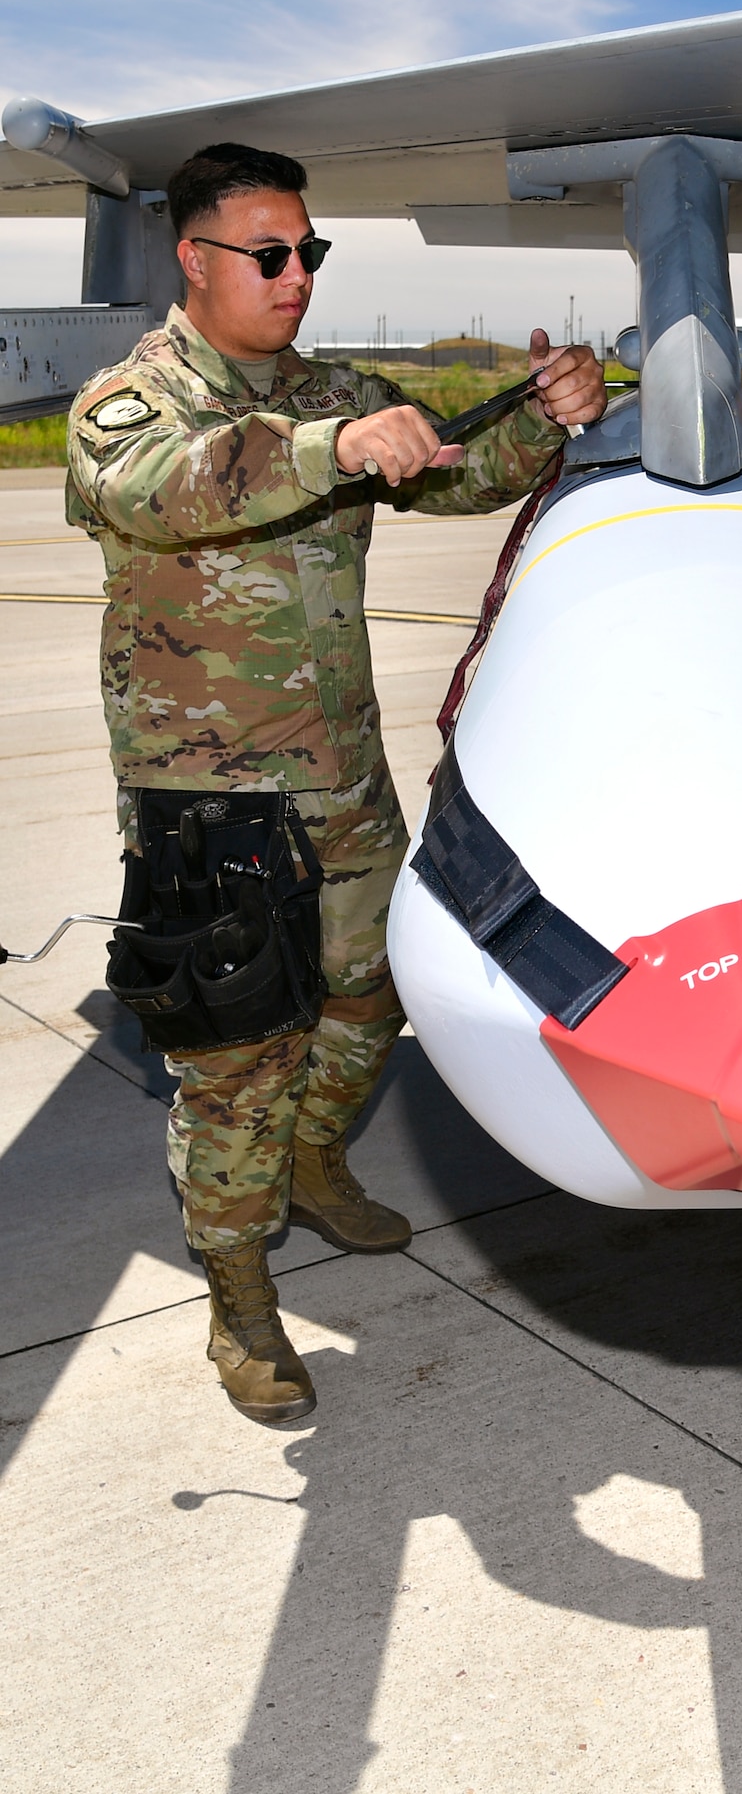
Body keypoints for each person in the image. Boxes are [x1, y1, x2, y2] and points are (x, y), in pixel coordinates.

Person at [67, 142, 607, 1426]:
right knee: (237, 1051)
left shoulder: (332, 386)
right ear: (196, 260)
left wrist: (546, 409)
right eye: (270, 253)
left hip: (342, 770)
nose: (297, 273)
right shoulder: (135, 398)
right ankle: (240, 1296)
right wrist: (330, 443)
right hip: (213, 795)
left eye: (310, 251)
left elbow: (456, 469)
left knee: (374, 994)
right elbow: (154, 489)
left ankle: (314, 1159)